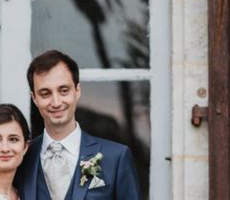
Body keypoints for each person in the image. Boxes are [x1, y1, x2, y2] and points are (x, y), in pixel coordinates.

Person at [15, 50, 142, 200]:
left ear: (77, 91)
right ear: (34, 98)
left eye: (63, 91)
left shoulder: (116, 157)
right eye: (45, 93)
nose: (56, 102)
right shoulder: (21, 158)